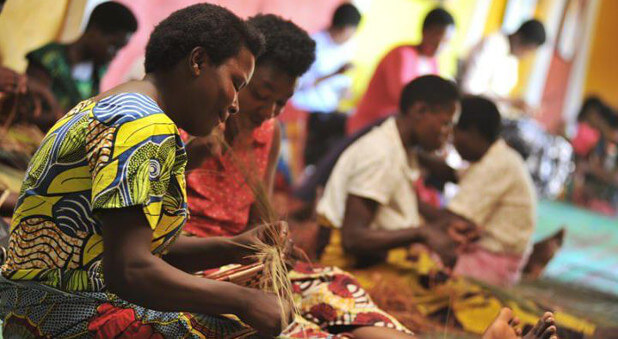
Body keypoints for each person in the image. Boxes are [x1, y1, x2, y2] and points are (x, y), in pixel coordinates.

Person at [0, 4, 309, 337]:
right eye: (236, 83)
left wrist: (236, 246)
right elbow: (130, 269)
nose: (235, 103)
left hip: (35, 304)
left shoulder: (117, 105)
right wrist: (242, 301)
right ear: (198, 61)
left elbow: (139, 247)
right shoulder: (144, 126)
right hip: (61, 312)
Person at [182, 14, 414, 338]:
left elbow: (257, 222)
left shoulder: (269, 132)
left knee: (335, 289)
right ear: (239, 73)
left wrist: (273, 247)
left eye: (282, 101)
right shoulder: (191, 120)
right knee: (288, 325)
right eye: (261, 95)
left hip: (240, 261)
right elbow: (151, 235)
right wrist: (193, 155)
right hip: (190, 267)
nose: (270, 111)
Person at [419, 96, 538, 286]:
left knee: (419, 267)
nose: (451, 140)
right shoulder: (495, 155)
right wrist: (418, 155)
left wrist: (407, 197)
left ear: (472, 133)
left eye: (454, 132)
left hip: (492, 261)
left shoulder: (495, 165)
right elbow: (452, 174)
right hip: (493, 255)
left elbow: (451, 220)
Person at [346, 8, 454, 135]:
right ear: (425, 31)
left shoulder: (433, 63)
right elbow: (403, 98)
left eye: (445, 42)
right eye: (437, 39)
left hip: (390, 131)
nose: (440, 46)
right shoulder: (402, 55)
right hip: (369, 127)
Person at [25, 1, 137, 120]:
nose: (114, 55)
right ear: (94, 30)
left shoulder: (97, 70)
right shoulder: (48, 58)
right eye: (113, 46)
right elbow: (32, 109)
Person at [291, 3, 362, 169]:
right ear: (344, 29)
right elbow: (300, 84)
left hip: (328, 110)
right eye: (351, 32)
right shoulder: (313, 44)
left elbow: (343, 82)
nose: (351, 37)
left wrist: (346, 90)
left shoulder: (348, 47)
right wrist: (335, 73)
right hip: (306, 110)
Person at [459, 19, 546, 116]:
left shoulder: (512, 58)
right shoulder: (492, 45)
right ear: (518, 38)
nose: (526, 56)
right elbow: (470, 91)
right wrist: (511, 102)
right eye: (528, 50)